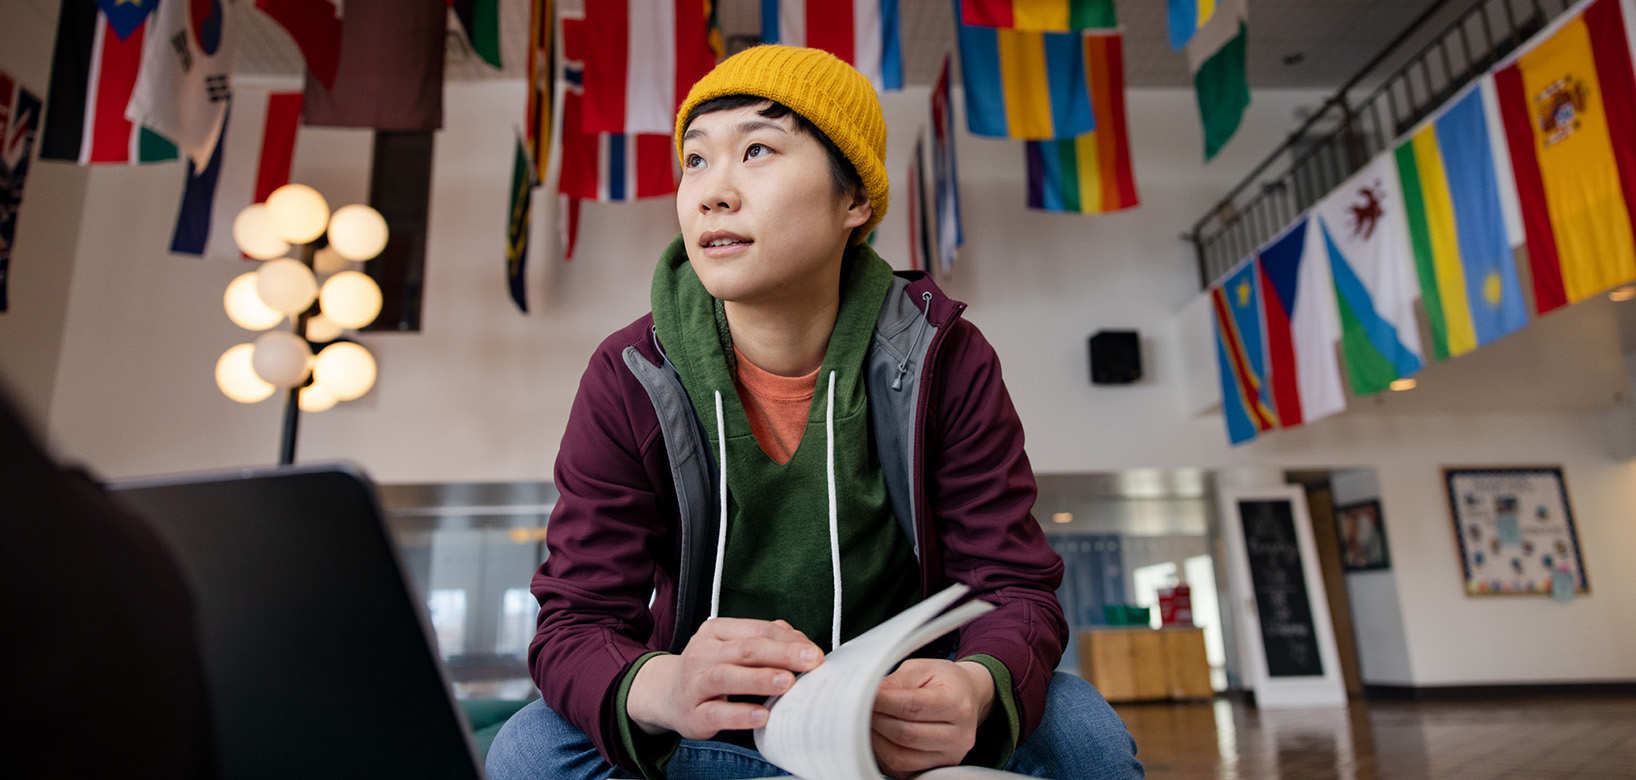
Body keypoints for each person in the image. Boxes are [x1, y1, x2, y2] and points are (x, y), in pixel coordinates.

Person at [487, 45, 1142, 780]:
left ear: (854, 200)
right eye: (696, 161)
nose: (711, 194)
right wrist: (664, 685)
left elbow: (1013, 585)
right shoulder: (632, 373)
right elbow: (575, 619)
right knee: (529, 749)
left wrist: (974, 686)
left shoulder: (944, 357)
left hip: (896, 718)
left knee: (1083, 729)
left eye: (758, 150)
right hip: (716, 726)